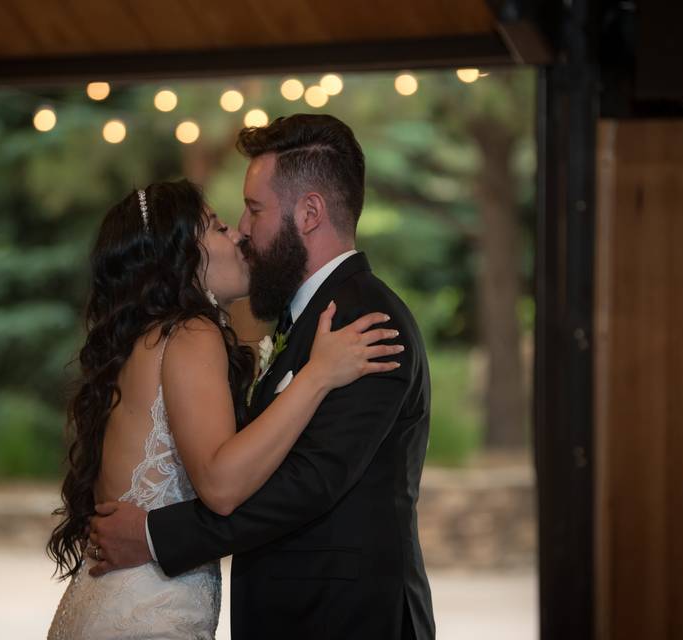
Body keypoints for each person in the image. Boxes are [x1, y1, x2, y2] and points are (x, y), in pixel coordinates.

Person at [88, 114, 436, 639]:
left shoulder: (365, 319)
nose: (244, 229)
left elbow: (310, 481)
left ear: (310, 213)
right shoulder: (305, 320)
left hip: (345, 619)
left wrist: (159, 536)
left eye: (254, 210)